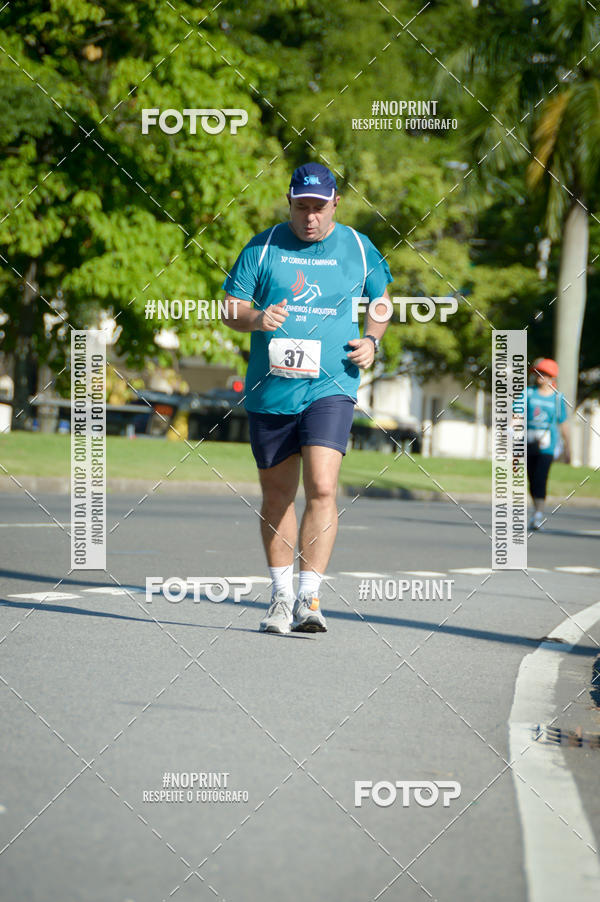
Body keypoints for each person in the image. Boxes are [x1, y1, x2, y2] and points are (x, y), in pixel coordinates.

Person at [222, 162, 392, 633]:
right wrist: (256, 319)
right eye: (301, 207)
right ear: (289, 201)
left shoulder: (358, 247)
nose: (310, 217)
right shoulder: (264, 246)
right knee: (277, 494)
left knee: (321, 486)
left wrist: (373, 339)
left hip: (331, 385)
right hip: (272, 388)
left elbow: (381, 299)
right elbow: (230, 306)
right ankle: (280, 598)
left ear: (336, 201)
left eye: (318, 207)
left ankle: (309, 597)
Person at [526, 358, 571, 530]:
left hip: (548, 445)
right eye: (538, 373)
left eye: (543, 373)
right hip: (529, 442)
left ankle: (538, 515)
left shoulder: (558, 398)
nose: (539, 376)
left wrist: (568, 448)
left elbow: (563, 423)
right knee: (531, 479)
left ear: (552, 377)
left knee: (540, 477)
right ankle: (536, 510)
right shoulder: (528, 393)